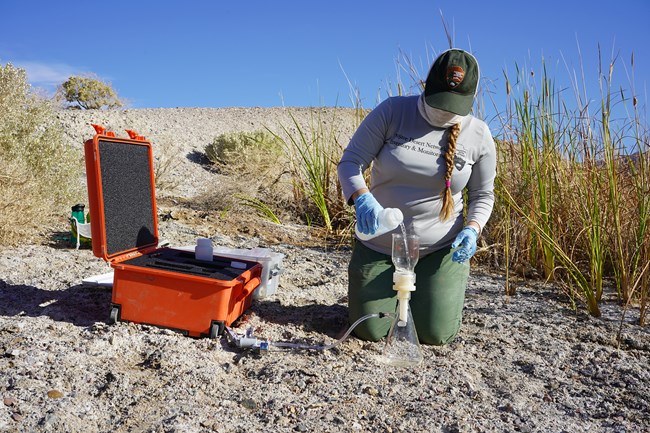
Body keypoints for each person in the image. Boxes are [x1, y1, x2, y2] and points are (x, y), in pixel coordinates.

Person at [337, 48, 496, 345]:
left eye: (454, 106)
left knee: (436, 334)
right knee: (370, 331)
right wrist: (362, 198)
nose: (444, 112)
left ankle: (428, 296)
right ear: (426, 87)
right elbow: (350, 163)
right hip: (381, 245)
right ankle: (388, 295)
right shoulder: (393, 112)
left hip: (439, 248)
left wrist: (472, 230)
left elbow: (483, 194)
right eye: (439, 102)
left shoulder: (479, 134)